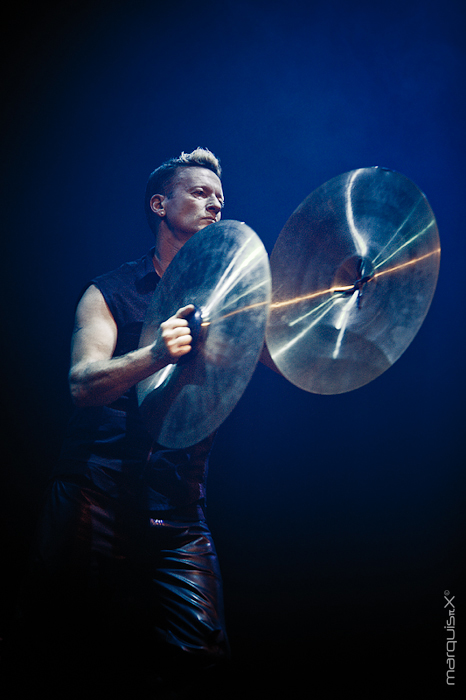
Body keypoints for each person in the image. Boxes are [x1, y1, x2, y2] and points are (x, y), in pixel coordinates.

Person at [18, 148, 230, 698]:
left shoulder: (227, 300)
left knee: (202, 657)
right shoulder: (109, 291)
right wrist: (156, 353)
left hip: (179, 508)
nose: (215, 203)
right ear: (160, 204)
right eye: (200, 193)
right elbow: (82, 384)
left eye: (220, 198)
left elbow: (283, 357)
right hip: (96, 495)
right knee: (64, 650)